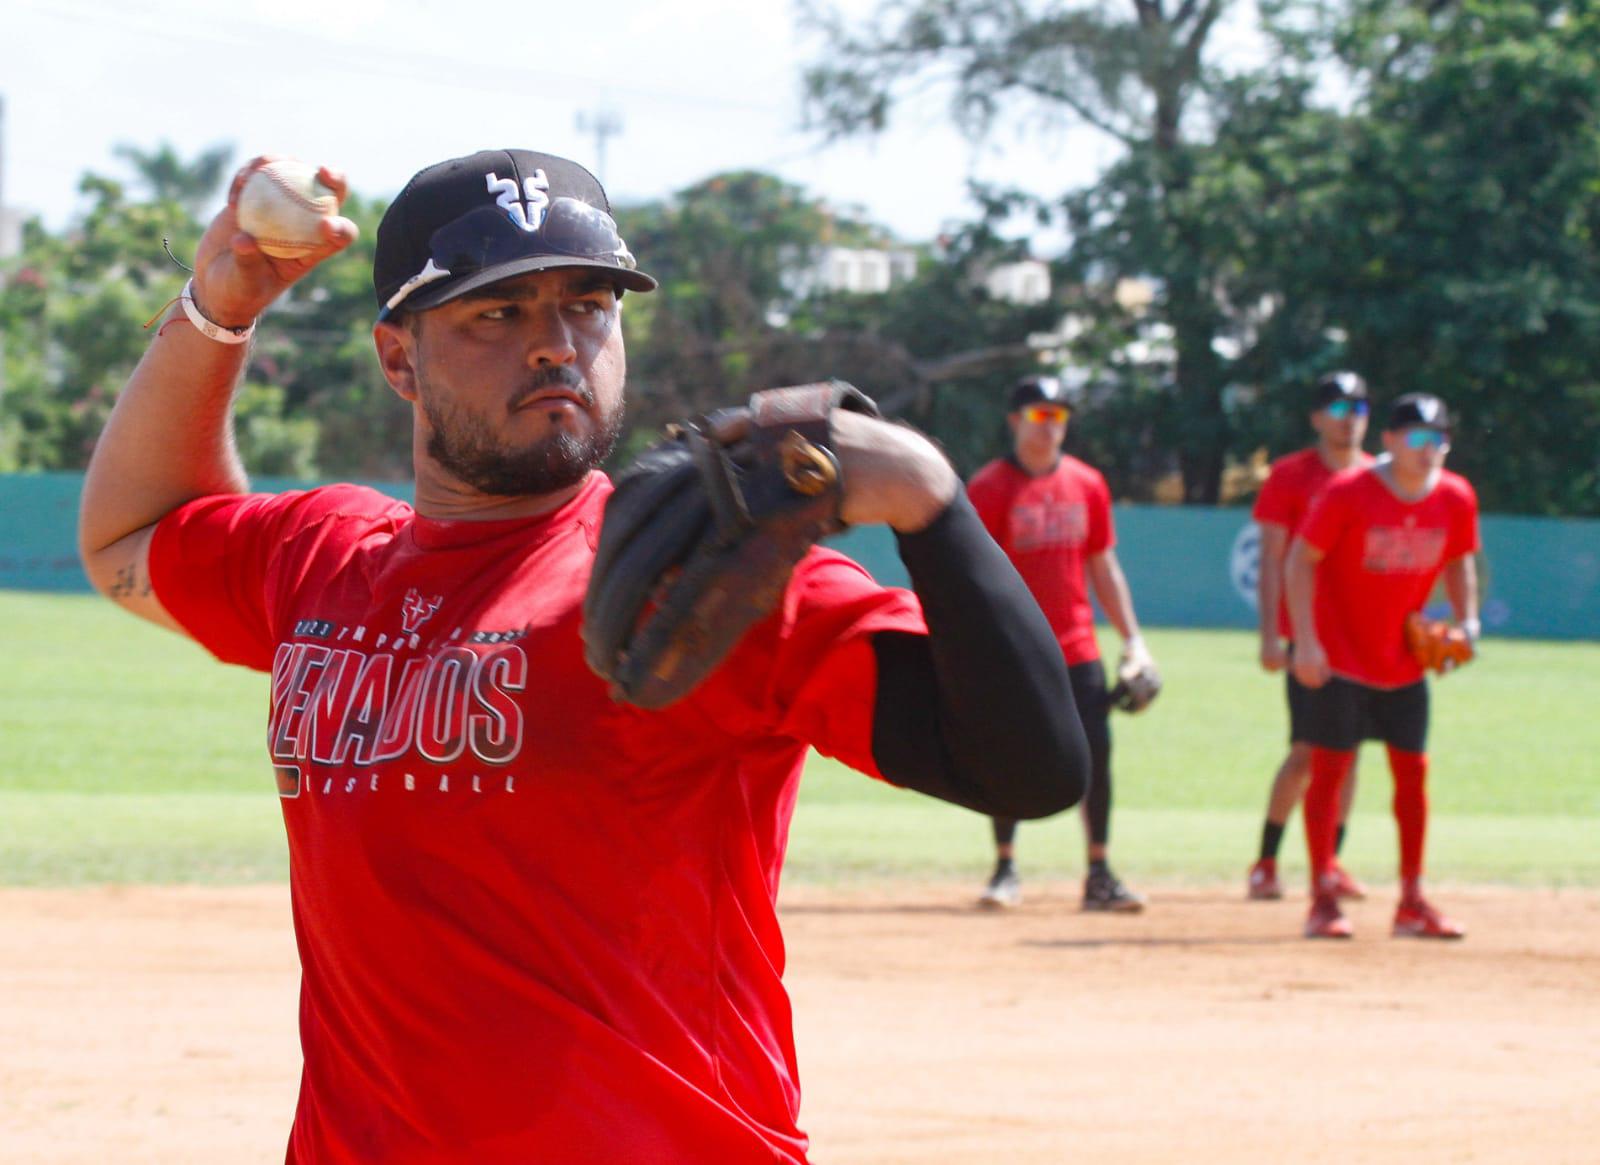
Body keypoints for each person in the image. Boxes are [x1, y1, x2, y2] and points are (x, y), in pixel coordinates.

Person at [77, 149, 1091, 1163]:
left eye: (586, 305)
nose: (555, 344)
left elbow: (1028, 767)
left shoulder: (698, 582)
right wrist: (219, 309)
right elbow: (131, 532)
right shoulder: (320, 560)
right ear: (398, 358)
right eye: (497, 311)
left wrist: (927, 498)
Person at [1285, 392, 1480, 940]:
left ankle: (1412, 900)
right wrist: (1305, 642)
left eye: (1439, 438)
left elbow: (1462, 561)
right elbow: (1301, 560)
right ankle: (1322, 897)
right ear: (1389, 440)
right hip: (1340, 657)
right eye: (1417, 437)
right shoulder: (1348, 492)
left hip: (1403, 662)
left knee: (1412, 776)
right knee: (1329, 770)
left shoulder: (1456, 496)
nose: (1430, 449)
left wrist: (1467, 622)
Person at [966, 376, 1155, 913]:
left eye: (1058, 415)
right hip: (1014, 649)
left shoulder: (1088, 483)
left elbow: (1102, 564)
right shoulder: (990, 487)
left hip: (1077, 647)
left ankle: (1099, 872)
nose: (1049, 426)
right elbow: (978, 574)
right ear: (1015, 421)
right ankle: (1005, 867)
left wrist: (1133, 641)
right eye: (1038, 415)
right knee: (1007, 758)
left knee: (1096, 758)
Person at [1246, 372, 1375, 901]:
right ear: (1317, 418)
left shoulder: (1380, 477)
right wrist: (1273, 637)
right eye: (1338, 407)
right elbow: (1274, 560)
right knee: (1305, 754)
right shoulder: (1291, 474)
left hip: (1366, 645)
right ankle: (1267, 862)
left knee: (1350, 758)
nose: (1349, 417)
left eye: (1358, 406)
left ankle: (1331, 864)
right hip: (1310, 639)